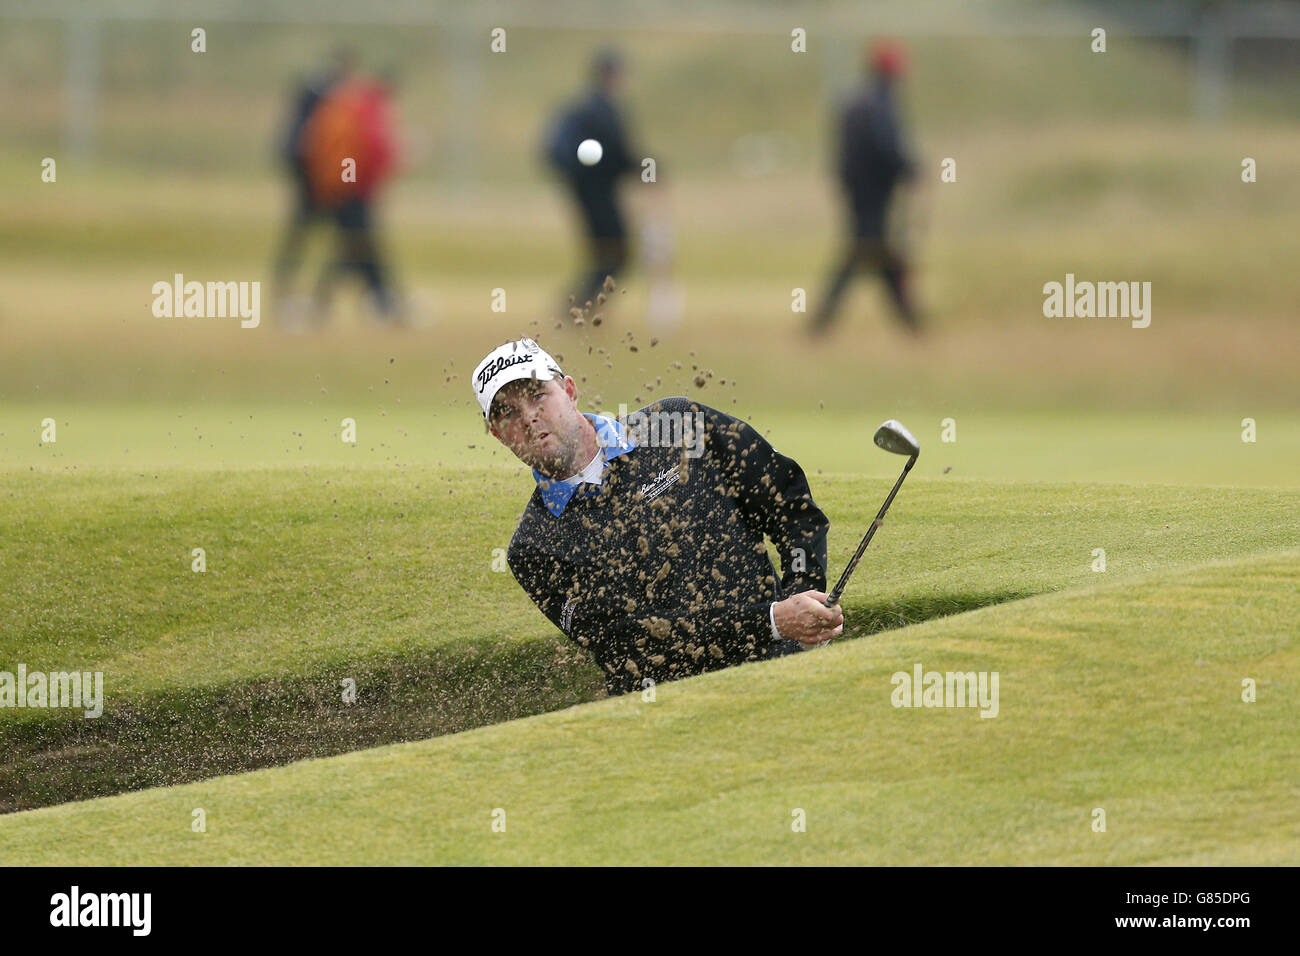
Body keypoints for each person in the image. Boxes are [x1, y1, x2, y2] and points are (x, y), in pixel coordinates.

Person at [473, 338, 843, 697]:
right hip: (662, 717)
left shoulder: (677, 424)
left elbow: (787, 501)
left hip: (780, 674)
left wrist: (803, 595)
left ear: (569, 391)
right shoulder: (534, 547)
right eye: (507, 412)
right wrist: (775, 621)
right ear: (497, 434)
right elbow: (633, 640)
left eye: (538, 395)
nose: (529, 417)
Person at [810, 40, 921, 335]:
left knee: (871, 252)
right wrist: (910, 168)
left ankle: (911, 322)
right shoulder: (879, 104)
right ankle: (911, 322)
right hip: (874, 194)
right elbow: (887, 147)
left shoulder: (855, 102)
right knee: (866, 253)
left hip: (857, 193)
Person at [300, 68, 403, 326]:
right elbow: (375, 149)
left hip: (341, 190)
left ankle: (380, 302)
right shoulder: (367, 110)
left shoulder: (348, 105)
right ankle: (381, 304)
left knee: (357, 247)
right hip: (353, 192)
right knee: (360, 247)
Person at [543, 49, 641, 315]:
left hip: (594, 192)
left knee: (609, 254)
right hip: (594, 194)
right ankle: (578, 309)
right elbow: (617, 153)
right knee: (613, 253)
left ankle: (581, 308)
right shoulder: (595, 112)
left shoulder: (596, 109)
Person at [271, 49, 354, 310]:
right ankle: (306, 296)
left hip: (318, 178)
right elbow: (308, 145)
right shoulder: (321, 100)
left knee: (331, 236)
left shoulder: (316, 96)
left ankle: (310, 295)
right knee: (338, 235)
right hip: (315, 180)